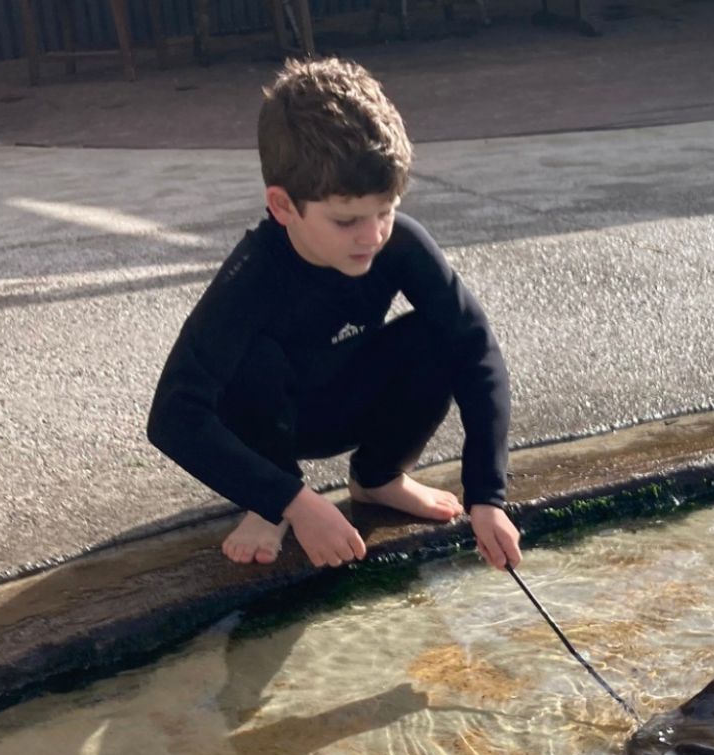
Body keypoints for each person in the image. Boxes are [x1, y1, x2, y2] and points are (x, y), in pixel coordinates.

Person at [147, 56, 522, 572]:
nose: (371, 236)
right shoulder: (254, 274)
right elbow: (172, 416)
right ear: (283, 207)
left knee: (444, 332)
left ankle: (378, 478)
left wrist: (487, 494)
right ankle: (270, 503)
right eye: (346, 220)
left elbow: (476, 348)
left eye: (385, 210)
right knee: (254, 357)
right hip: (266, 421)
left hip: (339, 398)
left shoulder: (401, 244)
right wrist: (292, 500)